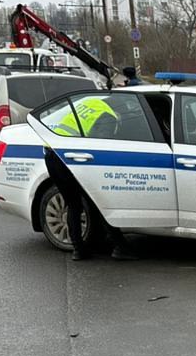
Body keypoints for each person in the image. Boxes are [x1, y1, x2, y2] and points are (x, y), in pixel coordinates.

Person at [46, 97, 137, 261]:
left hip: (53, 155)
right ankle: (120, 247)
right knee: (99, 202)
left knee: (73, 204)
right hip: (72, 159)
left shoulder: (91, 103)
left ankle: (79, 250)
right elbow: (99, 145)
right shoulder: (108, 117)